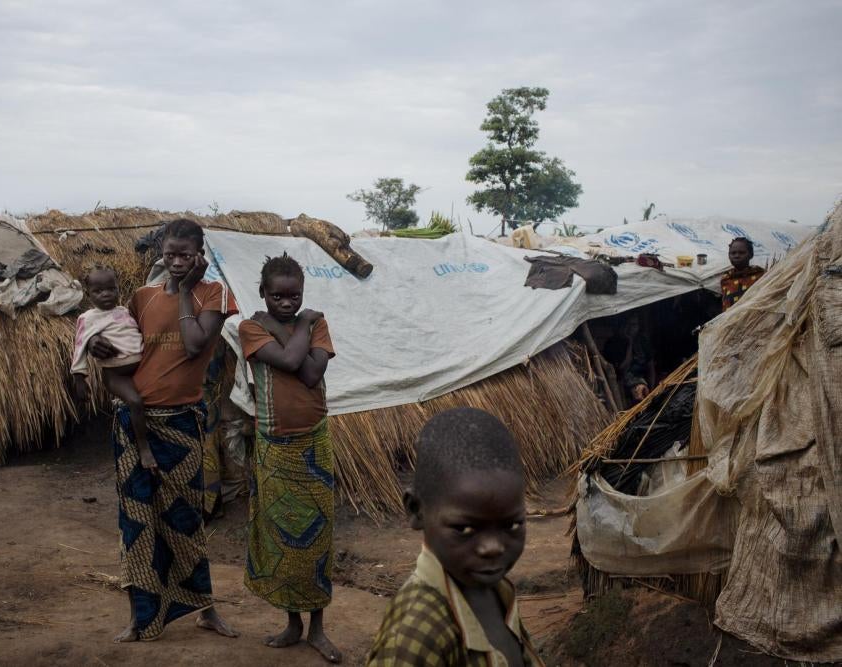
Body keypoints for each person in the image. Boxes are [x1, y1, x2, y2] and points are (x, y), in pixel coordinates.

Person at [88, 218, 239, 643]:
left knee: (185, 521)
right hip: (133, 424)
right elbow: (126, 351)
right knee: (136, 523)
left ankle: (206, 610)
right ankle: (140, 618)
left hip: (182, 426)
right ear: (161, 252)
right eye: (169, 254)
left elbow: (194, 345)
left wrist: (187, 289)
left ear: (199, 254)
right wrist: (99, 345)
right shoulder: (140, 297)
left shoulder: (215, 294)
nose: (176, 262)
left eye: (185, 255)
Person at [366, 408, 544, 667]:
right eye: (465, 530)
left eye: (512, 525)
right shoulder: (418, 629)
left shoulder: (495, 591)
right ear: (416, 510)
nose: (493, 548)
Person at [238, 253, 341, 663]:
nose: (287, 302)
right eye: (278, 296)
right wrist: (303, 324)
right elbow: (291, 361)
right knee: (283, 537)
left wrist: (304, 326)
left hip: (313, 444)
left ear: (302, 293)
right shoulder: (250, 328)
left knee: (316, 540)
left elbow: (313, 374)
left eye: (295, 296)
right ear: (263, 293)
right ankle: (292, 623)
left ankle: (317, 627)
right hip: (274, 445)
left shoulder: (317, 323)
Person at [71, 267, 156, 475]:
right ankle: (144, 448)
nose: (106, 294)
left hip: (140, 368)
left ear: (118, 289)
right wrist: (79, 378)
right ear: (88, 294)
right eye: (99, 291)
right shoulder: (88, 318)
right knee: (135, 402)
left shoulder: (125, 312)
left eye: (111, 289)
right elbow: (80, 345)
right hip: (116, 374)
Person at [720, 237, 765, 312]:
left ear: (751, 255)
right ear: (729, 255)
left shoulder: (761, 276)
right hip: (728, 321)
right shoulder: (725, 278)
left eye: (741, 253)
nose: (737, 256)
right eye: (733, 253)